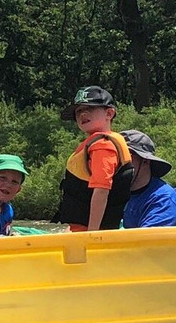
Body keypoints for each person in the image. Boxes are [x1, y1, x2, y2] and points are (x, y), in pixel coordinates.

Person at [52, 85, 134, 231]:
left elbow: (101, 190)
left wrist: (92, 233)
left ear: (109, 113)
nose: (83, 114)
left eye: (89, 108)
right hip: (81, 228)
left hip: (92, 231)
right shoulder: (95, 144)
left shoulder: (103, 146)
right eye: (79, 111)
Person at [120, 129, 176, 228]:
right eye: (115, 156)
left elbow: (144, 242)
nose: (119, 162)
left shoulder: (163, 201)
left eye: (127, 156)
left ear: (146, 161)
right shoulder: (113, 193)